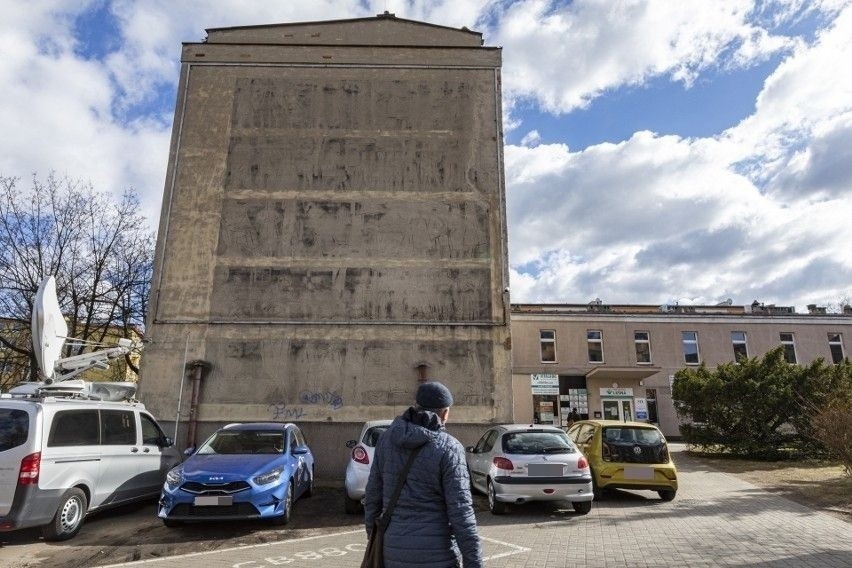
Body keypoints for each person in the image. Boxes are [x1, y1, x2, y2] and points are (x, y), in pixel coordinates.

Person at [364, 381, 482, 568]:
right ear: (445, 413)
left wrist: (374, 536)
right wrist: (474, 562)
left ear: (415, 406)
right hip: (437, 555)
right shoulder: (450, 448)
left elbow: (372, 497)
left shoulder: (386, 441)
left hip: (391, 551)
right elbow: (461, 512)